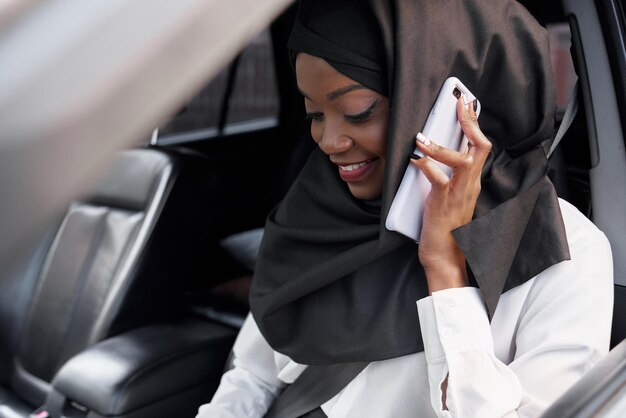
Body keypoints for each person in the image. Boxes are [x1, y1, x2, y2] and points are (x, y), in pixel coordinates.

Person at [197, 0, 614, 417]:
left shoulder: (568, 255)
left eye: (358, 112)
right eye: (315, 114)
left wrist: (446, 272)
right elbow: (252, 375)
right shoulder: (317, 213)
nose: (328, 141)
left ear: (454, 103)